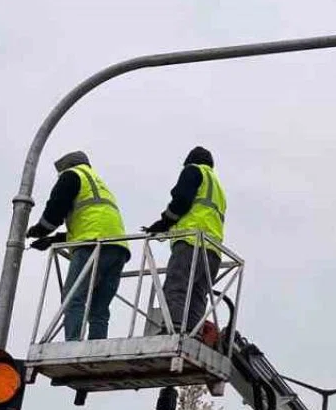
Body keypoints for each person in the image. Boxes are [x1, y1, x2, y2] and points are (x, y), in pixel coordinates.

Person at [26, 151, 131, 341]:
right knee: (99, 307)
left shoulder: (72, 175)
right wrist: (52, 240)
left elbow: (56, 210)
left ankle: (72, 344)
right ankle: (97, 346)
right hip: (118, 248)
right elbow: (89, 222)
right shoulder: (97, 183)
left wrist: (39, 230)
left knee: (74, 297)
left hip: (92, 245)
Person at [142, 146, 227, 334]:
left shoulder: (193, 171)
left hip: (191, 242)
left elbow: (181, 200)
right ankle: (192, 333)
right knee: (198, 294)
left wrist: (164, 222)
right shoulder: (218, 188)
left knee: (177, 285)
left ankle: (173, 328)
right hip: (213, 251)